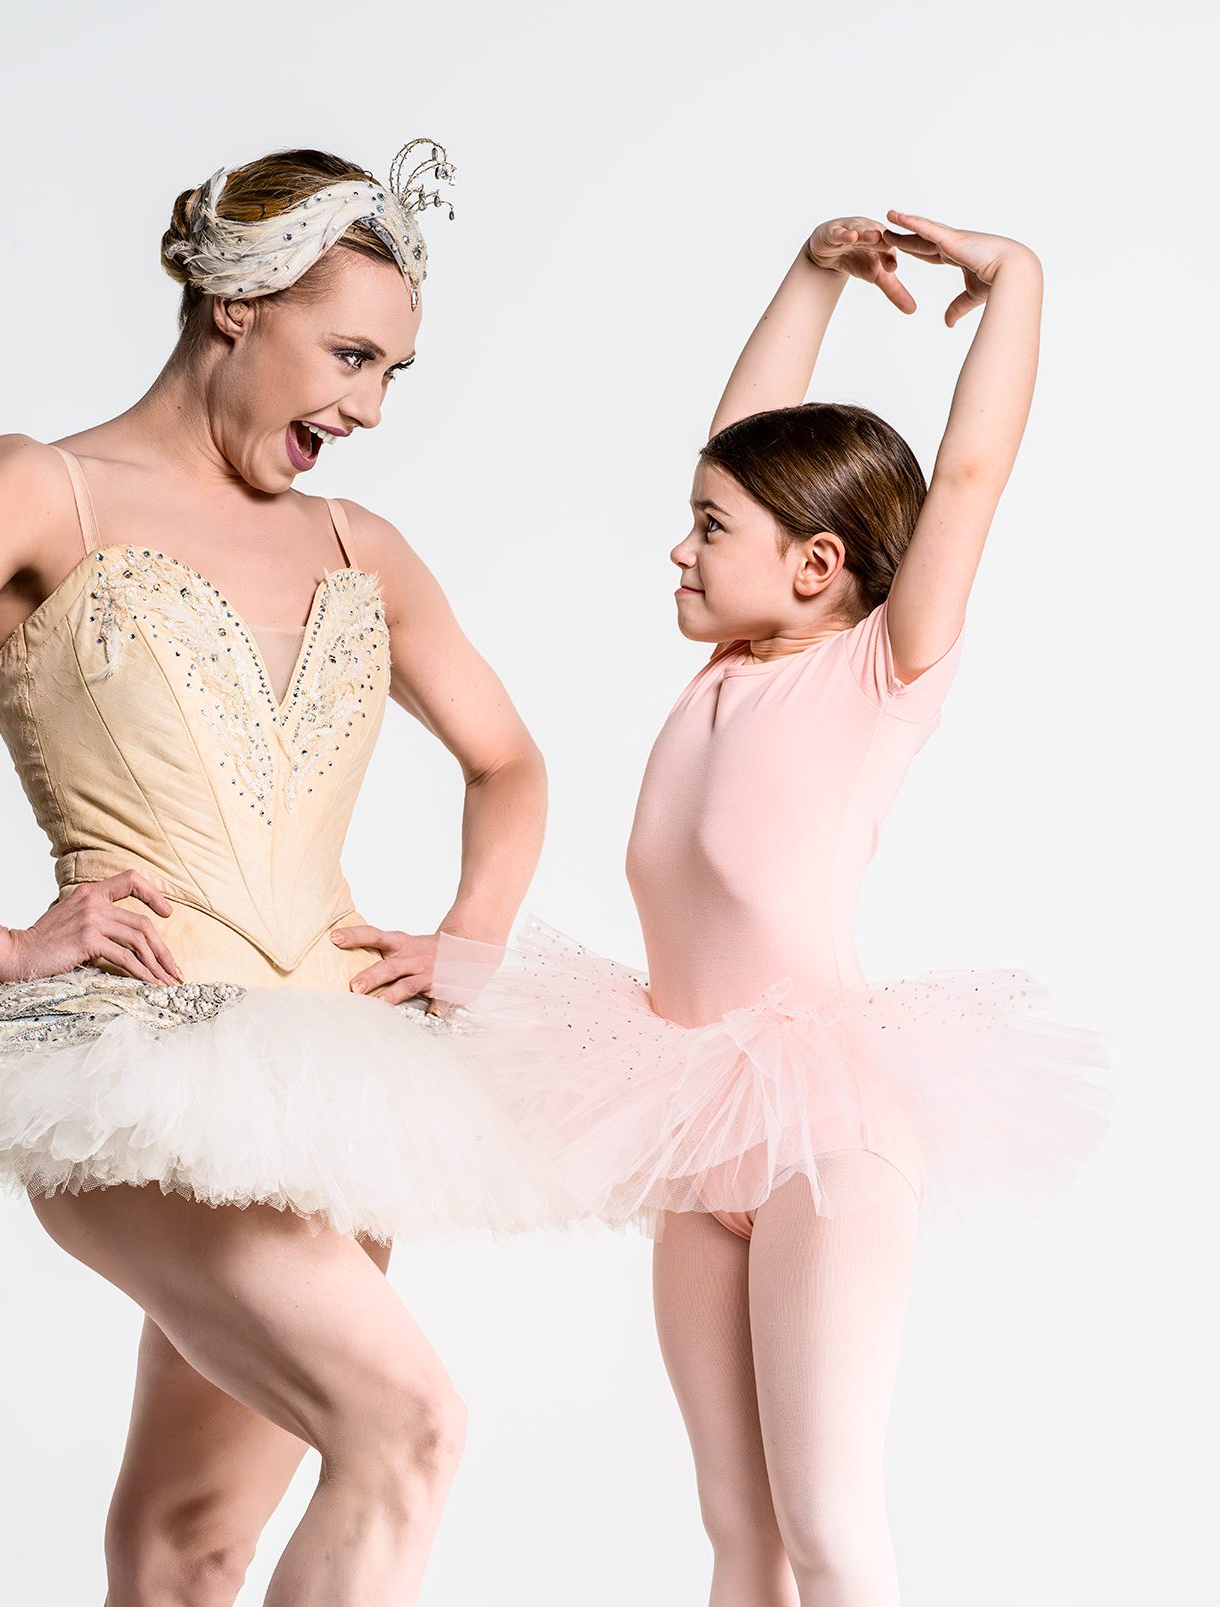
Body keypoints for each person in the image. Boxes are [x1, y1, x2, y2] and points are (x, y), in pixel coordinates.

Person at [0, 140, 567, 1607]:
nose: (369, 409)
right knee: (410, 1430)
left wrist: (474, 937)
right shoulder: (39, 490)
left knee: (182, 1549)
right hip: (137, 1069)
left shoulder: (366, 547)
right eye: (350, 357)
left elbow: (509, 761)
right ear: (236, 305)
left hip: (344, 1083)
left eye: (395, 373)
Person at [432, 212, 1112, 1606]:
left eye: (708, 531)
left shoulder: (878, 673)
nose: (680, 552)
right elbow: (741, 443)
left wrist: (1016, 283)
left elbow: (970, 474)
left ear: (817, 565)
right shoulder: (726, 665)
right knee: (738, 1533)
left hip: (826, 1140)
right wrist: (812, 276)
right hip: (697, 1126)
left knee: (827, 1528)